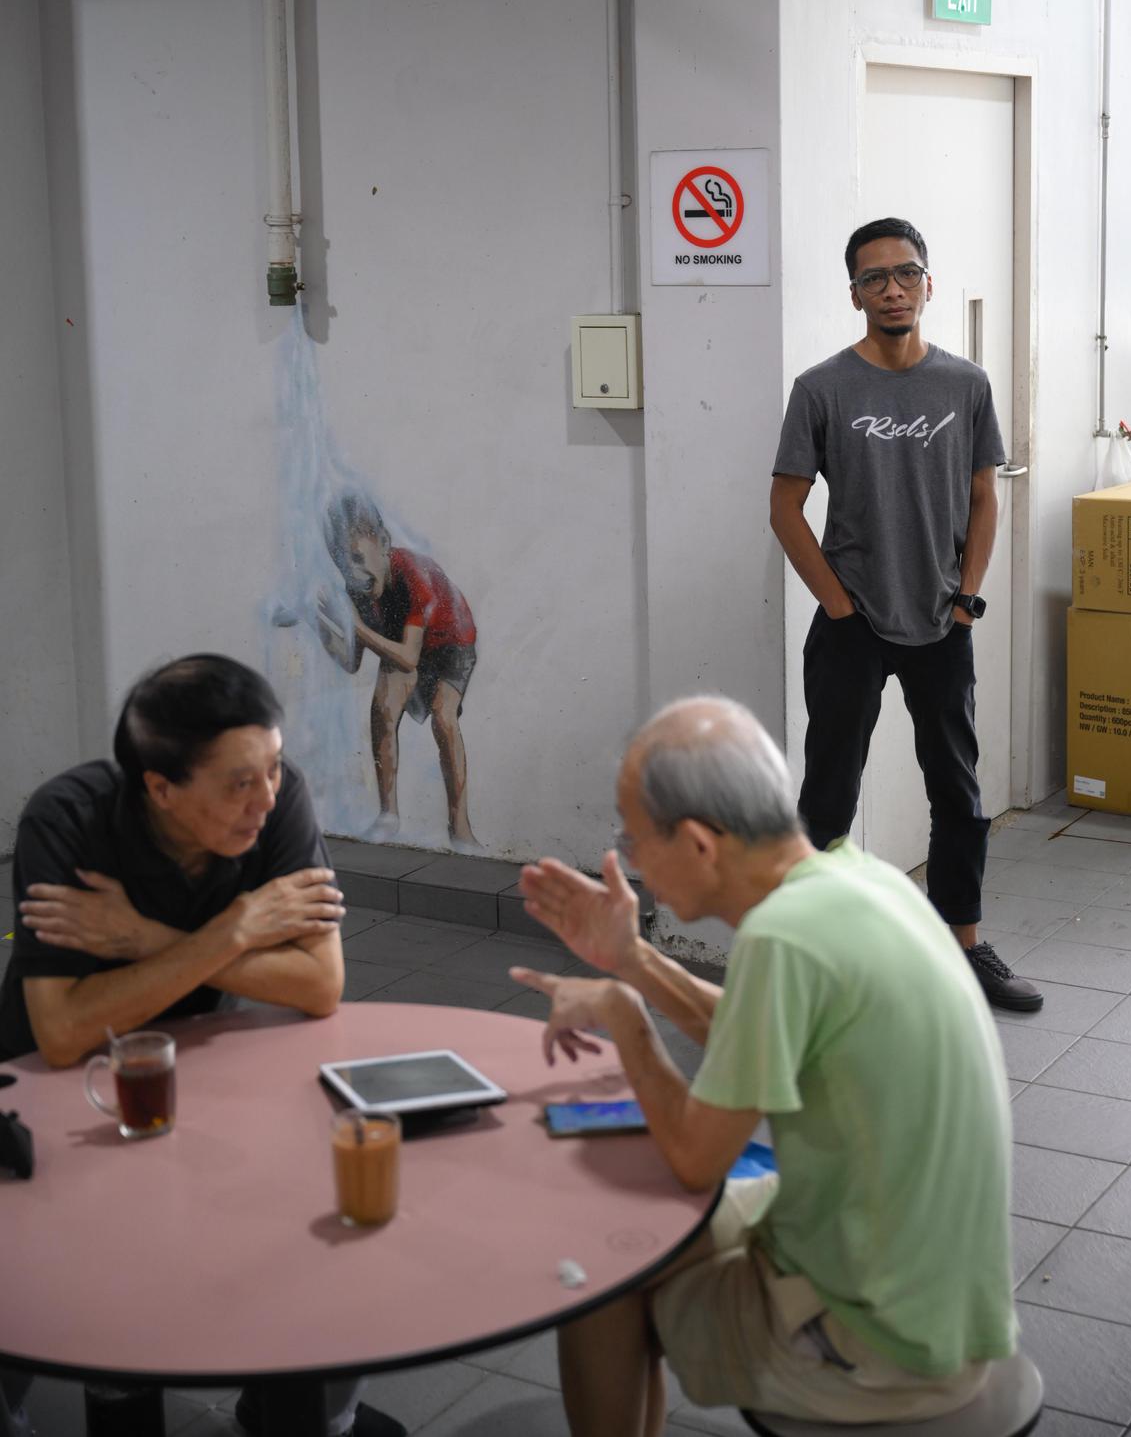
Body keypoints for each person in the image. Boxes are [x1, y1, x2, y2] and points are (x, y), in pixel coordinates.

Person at [510, 696, 1017, 1437]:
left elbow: (692, 1158)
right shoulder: (858, 881)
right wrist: (631, 957)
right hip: (946, 1306)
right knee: (647, 1231)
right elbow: (760, 1034)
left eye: (634, 839)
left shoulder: (780, 939)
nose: (629, 860)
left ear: (698, 844)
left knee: (600, 1277)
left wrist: (625, 1013)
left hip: (878, 1350)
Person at [0, 653, 401, 1437]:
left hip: (187, 1063)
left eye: (274, 768)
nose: (267, 799)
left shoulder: (280, 809)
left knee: (287, 1229)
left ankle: (282, 1400)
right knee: (77, 1288)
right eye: (238, 783)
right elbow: (63, 1032)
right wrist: (238, 931)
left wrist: (153, 937)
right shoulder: (66, 822)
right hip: (46, 1095)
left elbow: (321, 984)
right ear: (161, 789)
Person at [769, 216, 1042, 1011]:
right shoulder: (821, 388)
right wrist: (837, 603)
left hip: (940, 621)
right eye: (874, 277)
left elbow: (985, 492)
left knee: (959, 792)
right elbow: (786, 505)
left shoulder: (966, 384)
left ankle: (964, 944)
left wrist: (966, 597)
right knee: (829, 793)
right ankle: (809, 953)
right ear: (852, 292)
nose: (892, 288)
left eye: (906, 273)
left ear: (929, 282)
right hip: (852, 624)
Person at [321, 495, 478, 845]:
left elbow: (408, 658)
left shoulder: (415, 575)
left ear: (385, 545)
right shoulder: (360, 588)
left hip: (451, 641)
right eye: (344, 564)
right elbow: (351, 662)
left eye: (360, 558)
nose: (354, 573)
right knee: (383, 709)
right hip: (405, 642)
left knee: (443, 717)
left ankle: (460, 828)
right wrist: (320, 623)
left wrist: (357, 627)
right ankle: (388, 815)